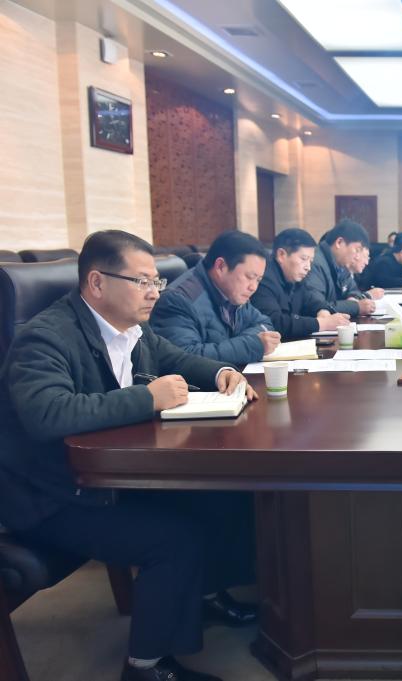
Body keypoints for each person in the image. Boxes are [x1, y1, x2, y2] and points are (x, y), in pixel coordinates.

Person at [0, 230, 259, 681]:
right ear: (97, 283)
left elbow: (177, 358)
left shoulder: (131, 330)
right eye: (142, 282)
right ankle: (145, 668)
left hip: (104, 477)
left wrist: (222, 371)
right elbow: (48, 414)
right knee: (174, 541)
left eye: (156, 281)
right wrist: (148, 398)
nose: (155, 292)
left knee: (223, 496)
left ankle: (201, 599)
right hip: (51, 496)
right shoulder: (44, 338)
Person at [150, 230, 280, 367]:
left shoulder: (234, 292)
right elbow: (184, 358)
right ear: (221, 267)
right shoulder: (177, 300)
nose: (253, 287)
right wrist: (251, 345)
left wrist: (244, 344)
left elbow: (264, 324)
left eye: (258, 280)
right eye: (249, 277)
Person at [250, 228, 351, 339]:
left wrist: (322, 311)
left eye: (310, 261)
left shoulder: (295, 278)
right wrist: (323, 323)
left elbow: (312, 301)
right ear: (281, 255)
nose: (308, 267)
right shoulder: (264, 279)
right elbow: (274, 323)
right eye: (304, 259)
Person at [307, 220, 378, 318]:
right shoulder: (315, 263)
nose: (357, 256)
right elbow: (316, 306)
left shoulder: (342, 264)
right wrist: (356, 307)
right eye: (357, 250)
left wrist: (353, 298)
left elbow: (353, 289)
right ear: (339, 242)